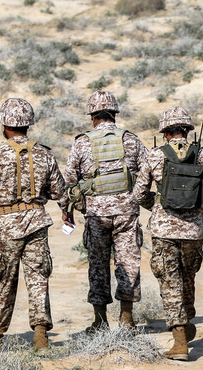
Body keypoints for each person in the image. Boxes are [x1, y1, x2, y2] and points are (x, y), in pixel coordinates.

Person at [132, 106, 203, 360]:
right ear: (187, 129)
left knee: (169, 283)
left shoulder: (154, 156)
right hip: (193, 230)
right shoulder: (202, 154)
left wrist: (158, 204)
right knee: (187, 277)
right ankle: (188, 320)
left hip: (164, 229)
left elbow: (139, 194)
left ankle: (180, 339)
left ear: (165, 132)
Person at [0, 98, 66, 350]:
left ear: (5, 124)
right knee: (38, 279)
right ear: (28, 124)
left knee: (5, 280)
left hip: (7, 225)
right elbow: (60, 191)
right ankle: (40, 336)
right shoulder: (44, 153)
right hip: (37, 222)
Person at [62, 90, 148, 333]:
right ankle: (127, 319)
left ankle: (100, 321)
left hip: (96, 215)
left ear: (92, 116)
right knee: (129, 263)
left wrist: (75, 209)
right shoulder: (131, 139)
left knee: (98, 265)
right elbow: (149, 172)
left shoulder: (82, 142)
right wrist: (135, 199)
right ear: (114, 113)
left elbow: (68, 182)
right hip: (127, 214)